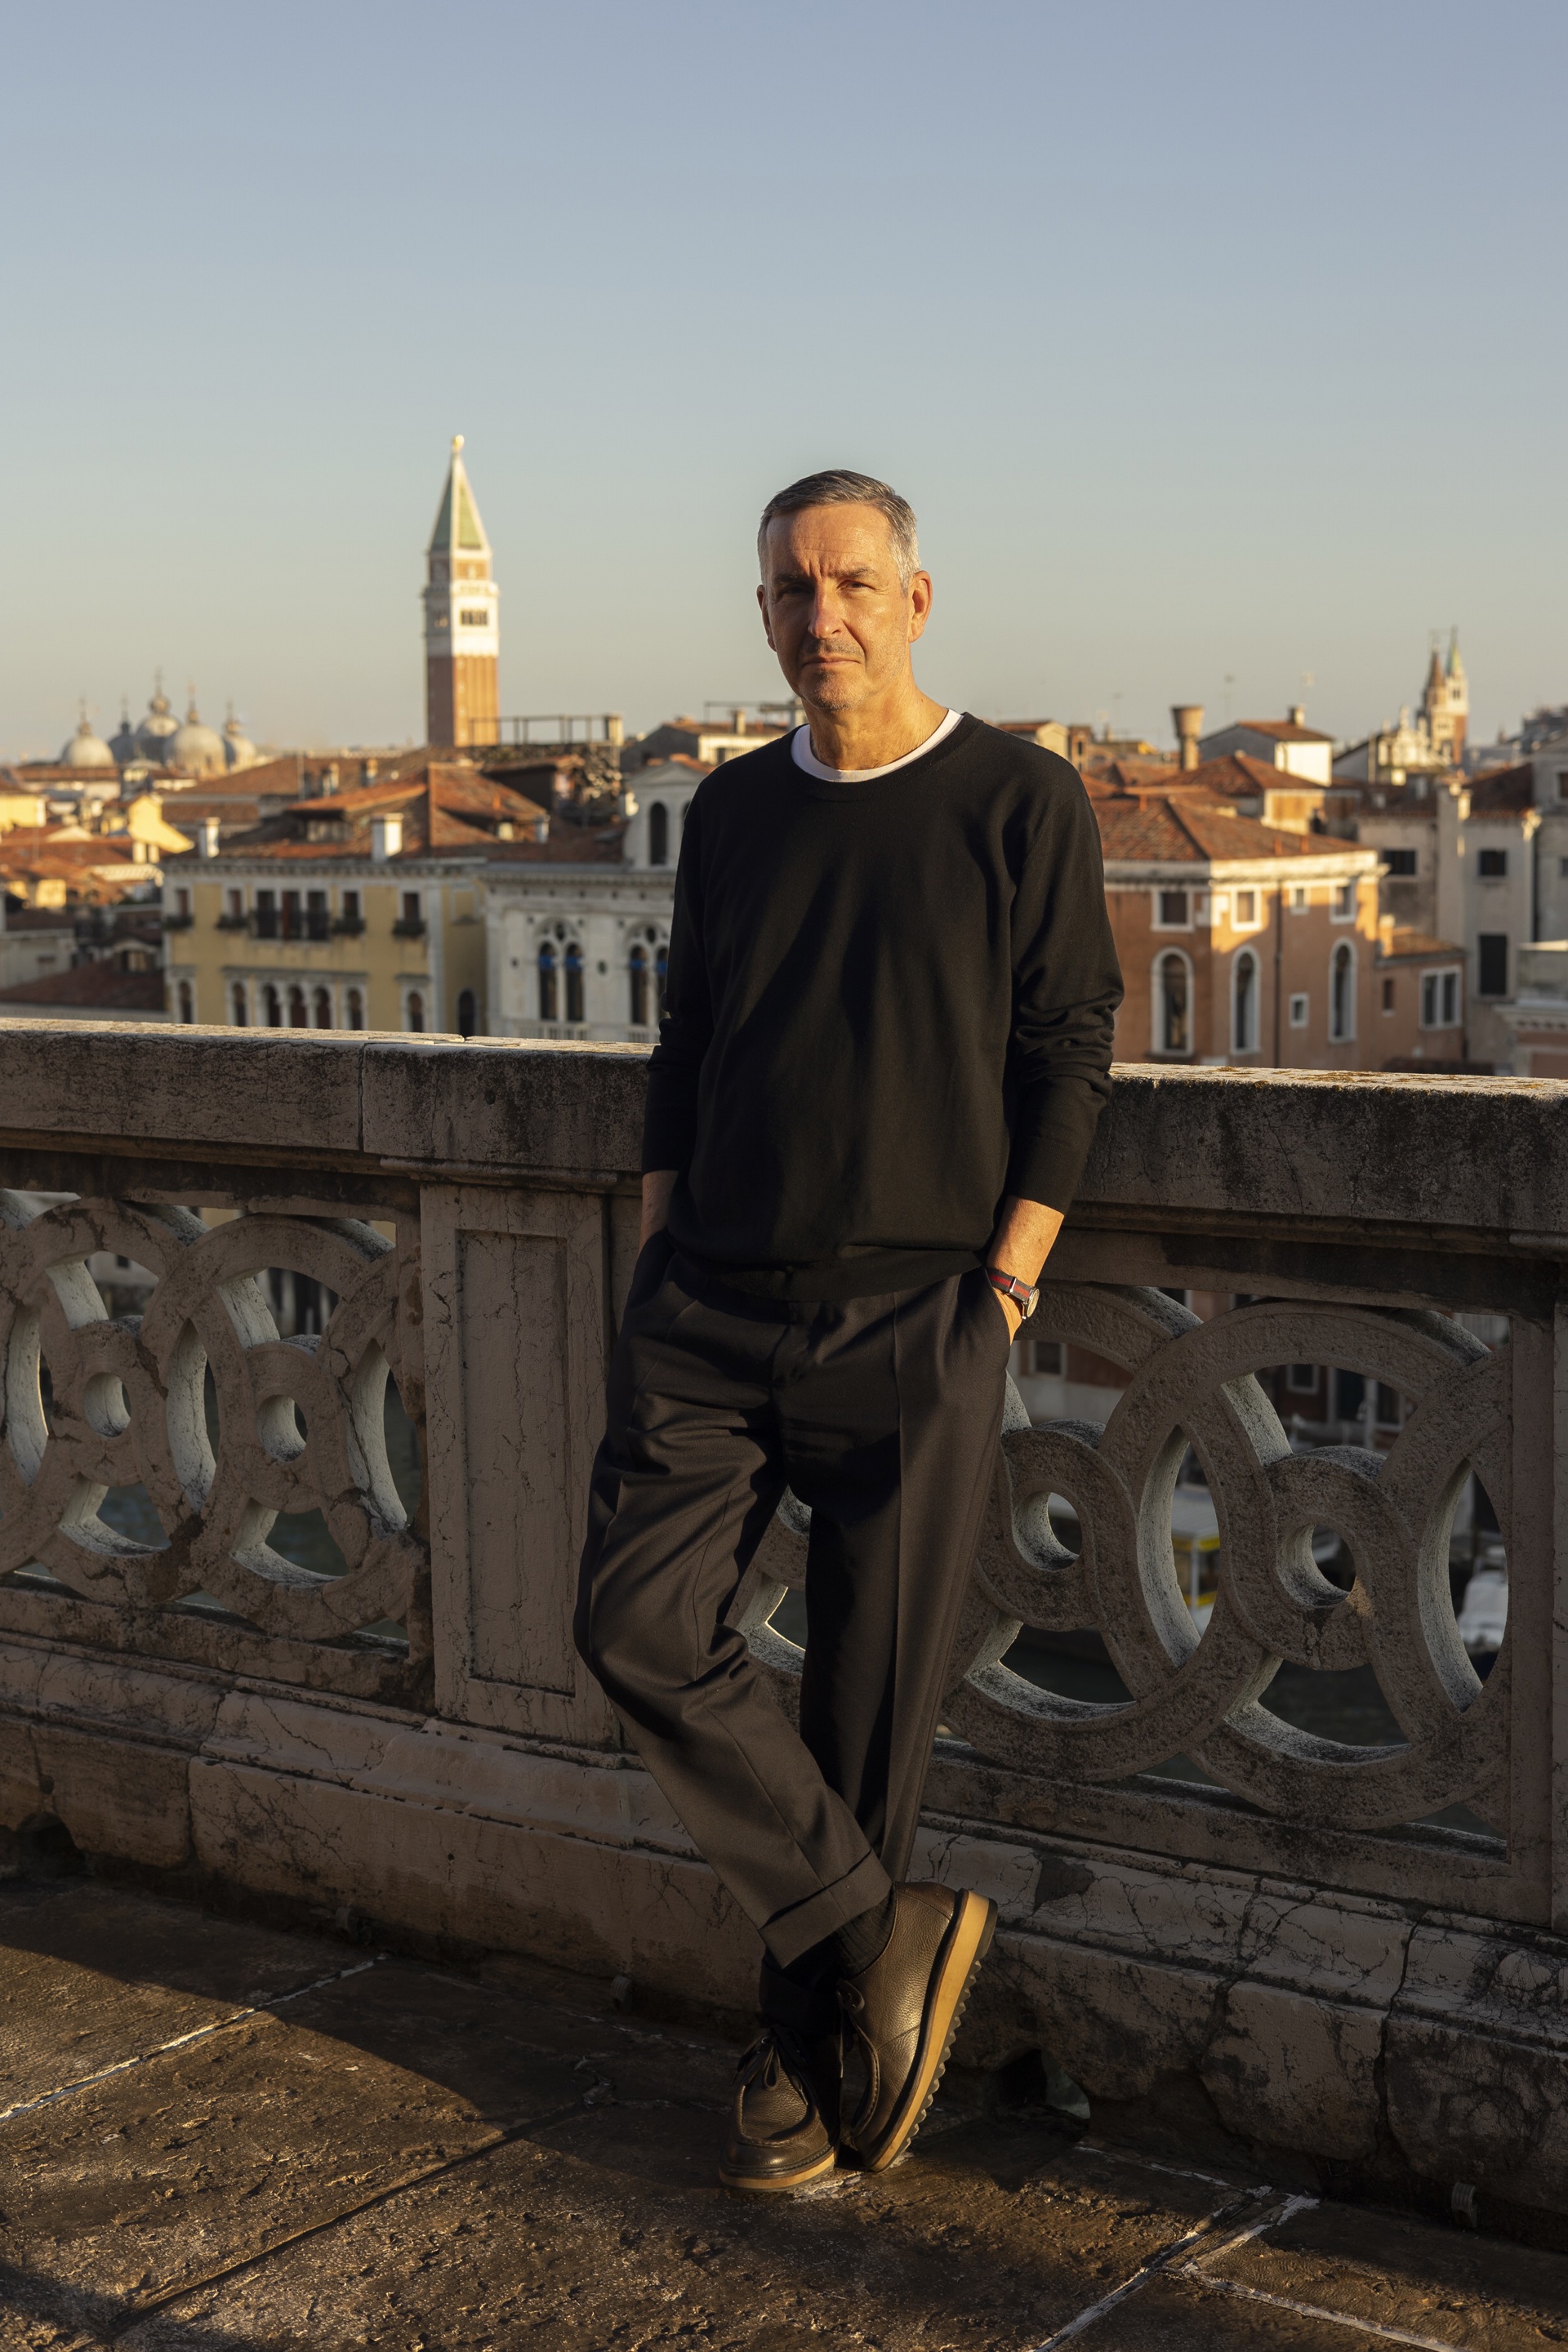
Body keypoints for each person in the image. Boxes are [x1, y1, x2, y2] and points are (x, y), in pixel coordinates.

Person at [576, 469, 1122, 2193]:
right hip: (707, 1305)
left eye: (853, 583)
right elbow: (688, 1032)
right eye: (793, 592)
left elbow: (1074, 1044)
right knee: (634, 1626)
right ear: (764, 617)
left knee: (863, 1714)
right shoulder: (733, 810)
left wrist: (1008, 1282)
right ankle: (880, 1934)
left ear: (915, 598)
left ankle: (804, 2060)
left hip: (916, 1317)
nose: (824, 617)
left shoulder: (1020, 798)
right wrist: (658, 1232)